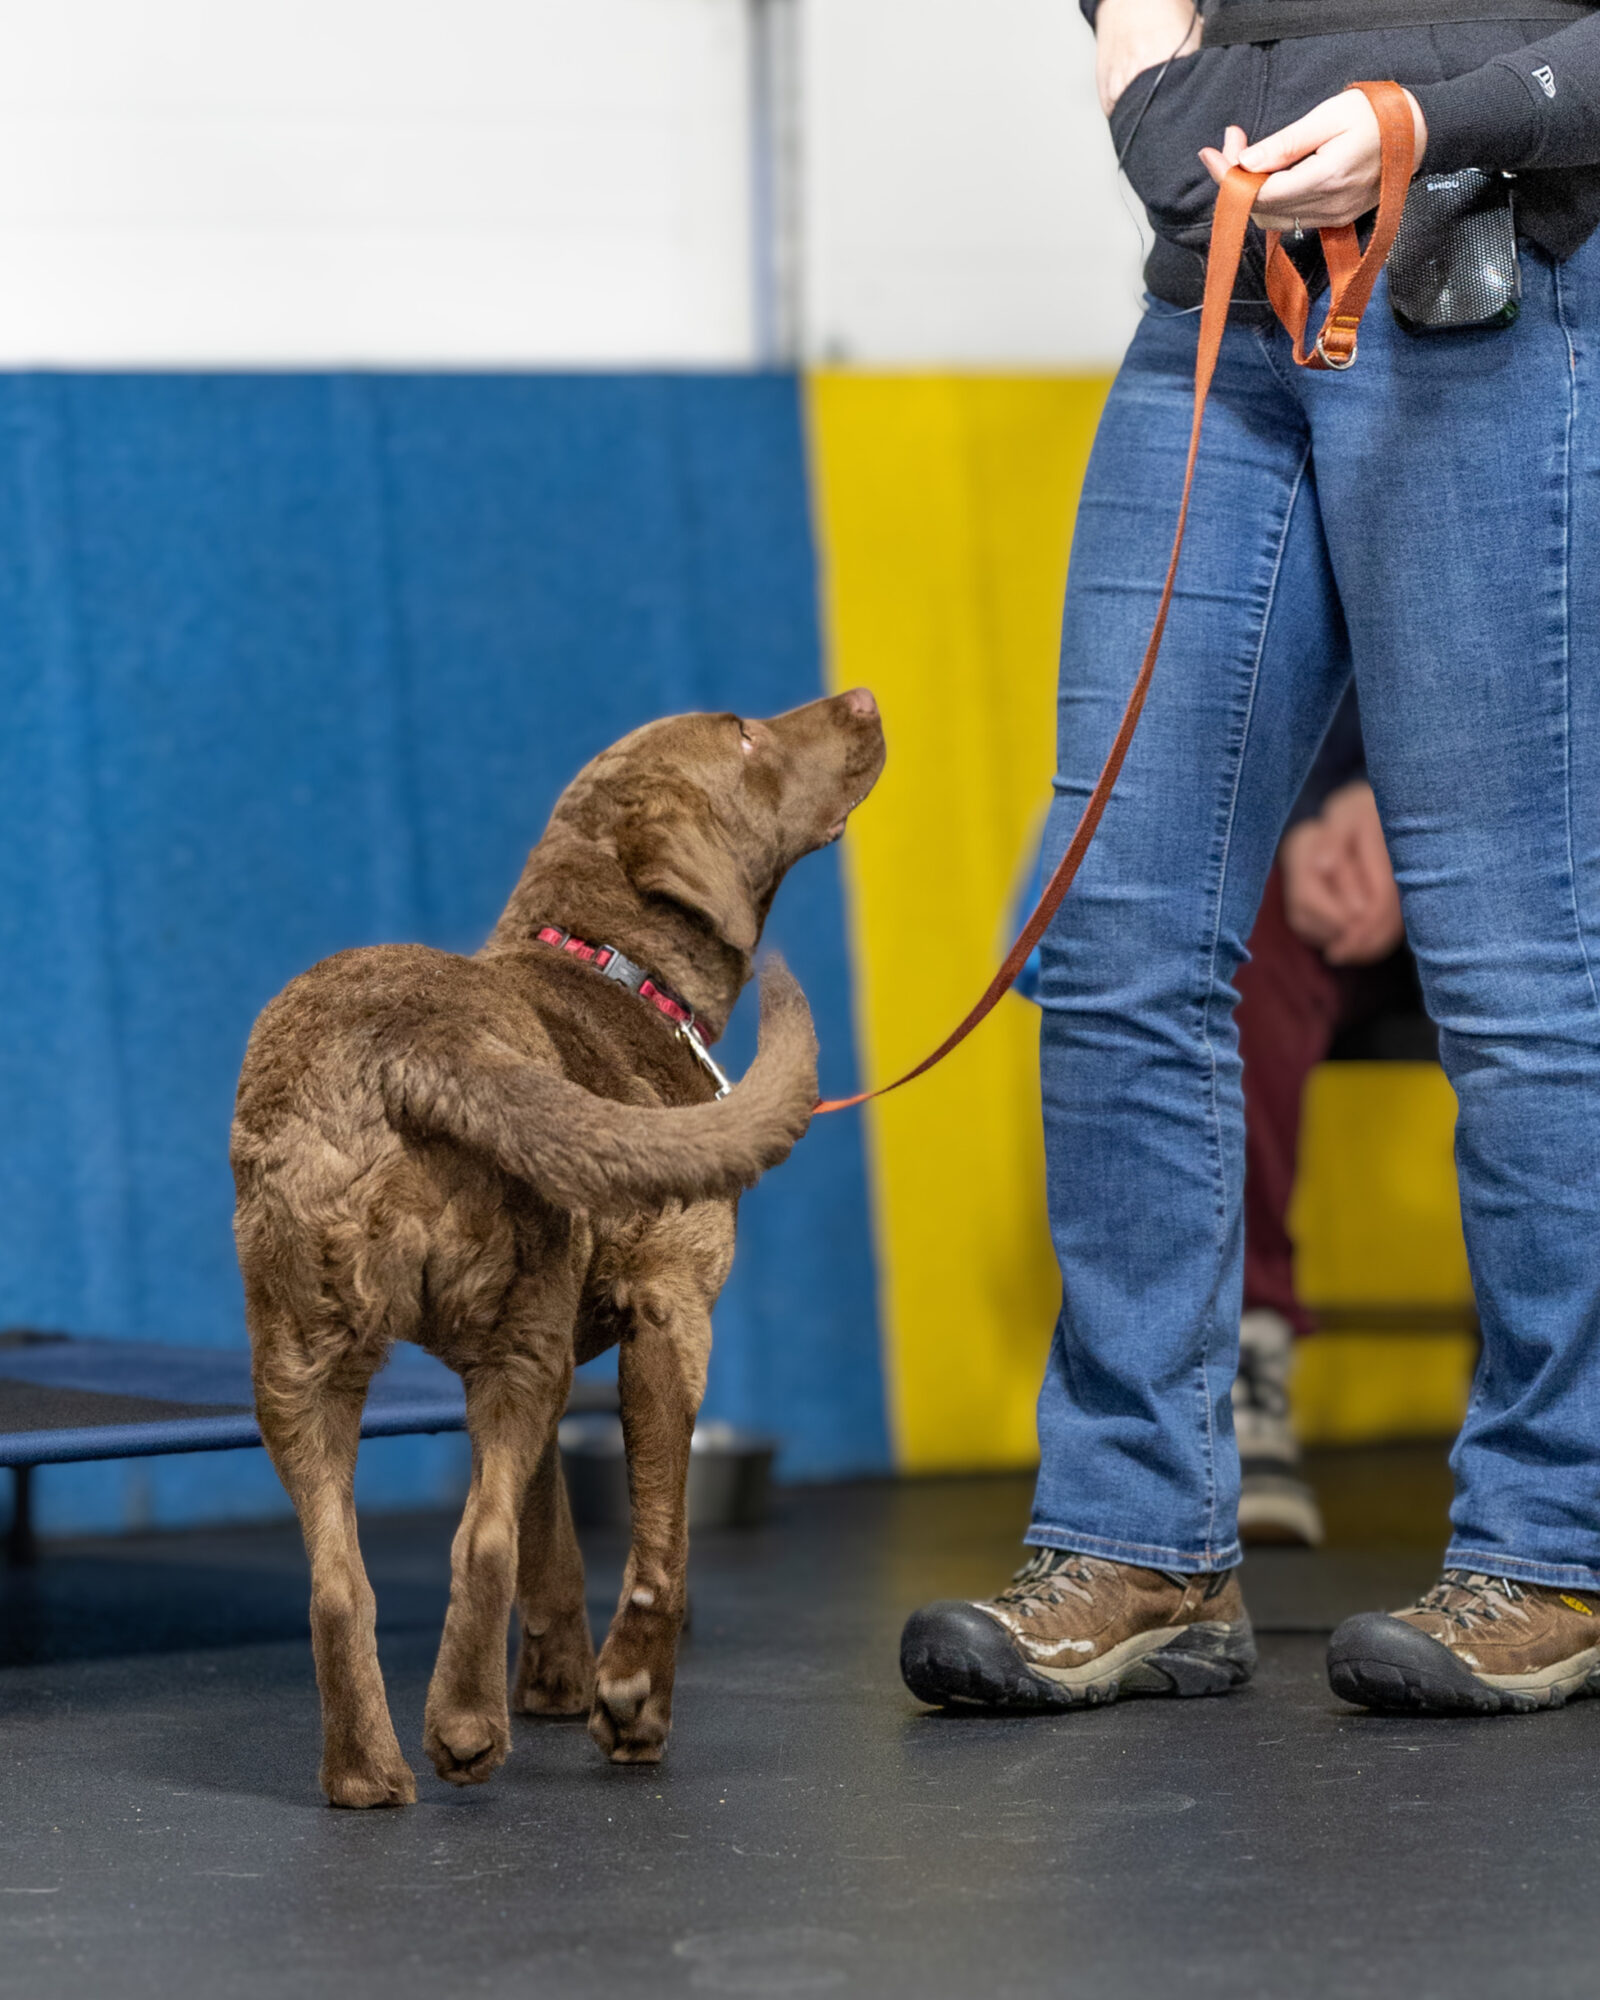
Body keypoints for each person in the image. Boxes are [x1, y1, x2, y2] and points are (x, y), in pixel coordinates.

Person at [901, 0, 1600, 1718]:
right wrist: (1166, 68)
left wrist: (1425, 118)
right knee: (1115, 931)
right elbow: (1153, 95)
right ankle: (1142, 1540)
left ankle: (1557, 1542)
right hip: (1226, 311)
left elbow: (1208, 91)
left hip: (1495, 289)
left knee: (1516, 968)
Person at [1234, 686, 1413, 1547]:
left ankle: (1549, 1371)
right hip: (1326, 833)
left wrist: (1418, 802)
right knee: (1234, 931)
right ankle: (1244, 1345)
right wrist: (1307, 812)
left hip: (1530, 822)